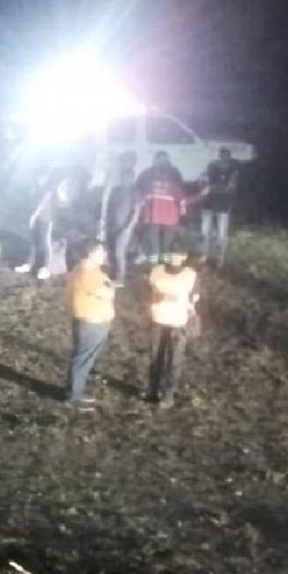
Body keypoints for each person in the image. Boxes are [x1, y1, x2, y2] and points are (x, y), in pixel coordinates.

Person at [63, 239, 115, 406]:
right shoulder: (91, 274)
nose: (104, 254)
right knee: (83, 360)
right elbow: (108, 294)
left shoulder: (80, 269)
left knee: (81, 358)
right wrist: (111, 287)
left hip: (85, 321)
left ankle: (74, 390)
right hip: (93, 324)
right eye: (101, 251)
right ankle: (74, 396)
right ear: (91, 254)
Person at [147, 239, 199, 407]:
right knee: (156, 358)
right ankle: (152, 390)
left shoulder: (191, 275)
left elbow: (194, 298)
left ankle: (168, 395)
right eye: (172, 253)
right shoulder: (156, 271)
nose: (175, 257)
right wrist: (161, 297)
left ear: (184, 257)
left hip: (178, 322)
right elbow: (148, 294)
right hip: (158, 319)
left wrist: (191, 312)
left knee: (174, 361)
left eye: (179, 254)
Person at [15, 174, 73, 280]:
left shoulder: (49, 190)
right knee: (34, 241)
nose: (39, 179)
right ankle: (29, 264)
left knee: (45, 242)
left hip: (46, 219)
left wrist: (33, 215)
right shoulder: (38, 188)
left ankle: (45, 268)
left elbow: (42, 204)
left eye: (40, 177)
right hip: (39, 219)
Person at [135, 151, 185, 265]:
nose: (162, 162)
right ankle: (155, 264)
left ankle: (162, 264)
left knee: (166, 240)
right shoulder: (147, 173)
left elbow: (179, 192)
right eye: (160, 159)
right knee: (153, 240)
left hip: (165, 214)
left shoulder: (174, 173)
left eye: (164, 159)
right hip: (157, 214)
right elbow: (139, 188)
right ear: (155, 160)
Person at [102, 152, 140, 285]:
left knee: (119, 251)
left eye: (128, 178)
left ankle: (121, 277)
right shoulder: (116, 190)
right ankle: (113, 274)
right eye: (124, 178)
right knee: (111, 250)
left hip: (124, 228)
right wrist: (106, 223)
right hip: (112, 226)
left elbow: (135, 212)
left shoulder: (134, 192)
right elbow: (110, 208)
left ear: (132, 178)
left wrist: (128, 228)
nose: (126, 180)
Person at [198, 148, 239, 266]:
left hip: (223, 204)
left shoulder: (233, 170)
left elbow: (231, 187)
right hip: (208, 203)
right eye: (222, 156)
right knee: (205, 231)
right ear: (219, 156)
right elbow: (202, 182)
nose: (223, 158)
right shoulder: (211, 166)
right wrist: (204, 186)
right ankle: (204, 255)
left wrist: (212, 187)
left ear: (229, 157)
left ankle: (220, 258)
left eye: (226, 156)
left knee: (222, 233)